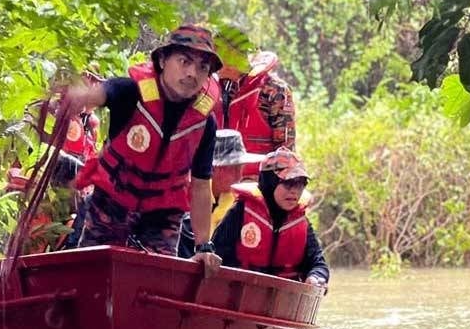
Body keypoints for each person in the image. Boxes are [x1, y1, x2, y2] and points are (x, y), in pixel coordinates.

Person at [64, 24, 224, 273]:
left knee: (156, 278)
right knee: (92, 272)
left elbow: (201, 185)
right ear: (162, 60)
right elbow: (100, 94)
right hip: (112, 201)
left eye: (203, 67)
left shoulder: (205, 123)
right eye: (184, 61)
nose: (192, 73)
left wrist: (204, 246)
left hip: (163, 215)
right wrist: (78, 97)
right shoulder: (130, 91)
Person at [212, 148, 329, 286]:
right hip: (239, 288)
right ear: (270, 182)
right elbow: (215, 254)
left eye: (300, 184)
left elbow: (318, 264)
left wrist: (316, 277)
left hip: (283, 293)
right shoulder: (240, 211)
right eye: (289, 183)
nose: (294, 191)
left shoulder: (300, 221)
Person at [177, 129, 264, 258]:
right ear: (212, 169)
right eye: (233, 168)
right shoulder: (184, 198)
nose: (239, 175)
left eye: (240, 168)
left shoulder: (238, 205)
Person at [217, 50, 296, 178]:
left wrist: (277, 182)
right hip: (225, 176)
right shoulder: (223, 86)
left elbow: (285, 146)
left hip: (259, 178)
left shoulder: (274, 89)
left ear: (232, 60)